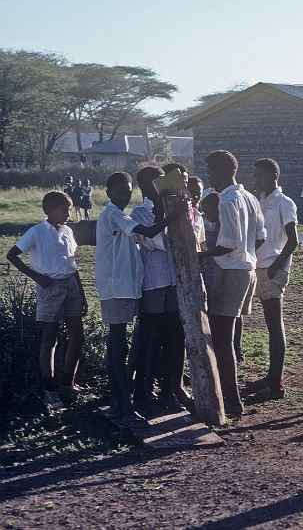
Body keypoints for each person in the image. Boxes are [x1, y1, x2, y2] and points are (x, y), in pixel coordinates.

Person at [96, 172, 173, 425]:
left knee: (124, 344)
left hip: (127, 287)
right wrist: (173, 215)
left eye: (127, 190)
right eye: (119, 191)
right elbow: (150, 232)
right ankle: (122, 404)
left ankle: (125, 400)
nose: (124, 194)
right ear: (108, 193)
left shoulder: (122, 215)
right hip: (116, 287)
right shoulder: (113, 214)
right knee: (117, 345)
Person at [199, 150, 266, 418]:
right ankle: (230, 397)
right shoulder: (249, 197)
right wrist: (245, 253)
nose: (210, 177)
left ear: (225, 171)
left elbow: (228, 244)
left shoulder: (228, 200)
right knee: (227, 337)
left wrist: (200, 254)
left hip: (229, 271)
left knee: (221, 340)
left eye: (212, 171)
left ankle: (231, 399)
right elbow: (259, 238)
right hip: (246, 270)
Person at [6, 191, 86, 409]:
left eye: (69, 209)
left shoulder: (68, 231)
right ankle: (49, 389)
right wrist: (37, 277)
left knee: (77, 335)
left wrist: (81, 292)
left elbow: (72, 263)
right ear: (49, 210)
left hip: (71, 284)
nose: (68, 213)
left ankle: (68, 382)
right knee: (50, 338)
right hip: (49, 287)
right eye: (64, 209)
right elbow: (11, 255)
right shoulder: (36, 232)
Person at [242, 158, 298, 402]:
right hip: (261, 266)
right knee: (269, 325)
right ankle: (270, 377)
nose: (256, 180)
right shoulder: (261, 201)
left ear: (274, 176)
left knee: (275, 325)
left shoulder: (285, 203)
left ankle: (276, 384)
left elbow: (293, 241)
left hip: (274, 268)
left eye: (260, 175)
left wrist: (276, 266)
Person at [130, 167, 183, 416]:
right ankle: (144, 391)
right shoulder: (140, 212)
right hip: (153, 280)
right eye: (156, 183)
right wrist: (165, 217)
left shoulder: (171, 207)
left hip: (173, 279)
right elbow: (157, 242)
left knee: (173, 335)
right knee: (151, 337)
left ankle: (169, 389)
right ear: (146, 186)